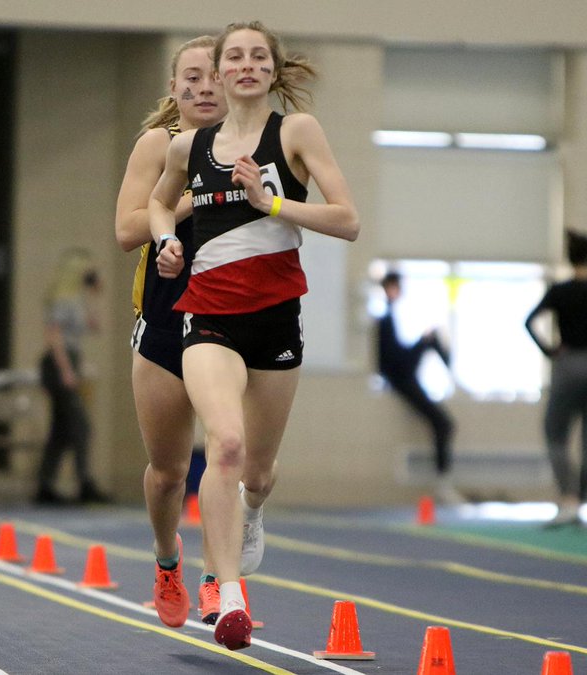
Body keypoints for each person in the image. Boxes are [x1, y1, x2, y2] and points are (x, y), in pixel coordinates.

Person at [148, 20, 358, 651]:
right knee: (226, 444)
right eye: (233, 57)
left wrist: (271, 204)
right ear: (217, 70)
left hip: (275, 320)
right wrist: (166, 243)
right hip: (207, 315)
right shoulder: (189, 147)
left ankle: (253, 512)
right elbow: (161, 204)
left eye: (257, 57)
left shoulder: (295, 132)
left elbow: (347, 220)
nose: (245, 66)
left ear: (271, 69)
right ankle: (230, 596)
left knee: (257, 473)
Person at [113, 35, 226, 629]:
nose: (205, 87)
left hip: (232, 317)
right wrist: (187, 200)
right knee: (169, 474)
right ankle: (166, 561)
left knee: (232, 458)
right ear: (175, 85)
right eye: (193, 77)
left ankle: (218, 582)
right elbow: (128, 229)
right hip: (163, 318)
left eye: (215, 76)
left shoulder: (250, 146)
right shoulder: (158, 144)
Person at [525, 230, 587, 527]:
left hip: (569, 362)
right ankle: (582, 499)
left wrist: (549, 350)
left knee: (555, 432)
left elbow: (529, 321)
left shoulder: (561, 291)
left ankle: (569, 497)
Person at [376, 271, 459, 504]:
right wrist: (421, 342)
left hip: (403, 372)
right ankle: (443, 485)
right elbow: (392, 359)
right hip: (400, 376)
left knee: (431, 337)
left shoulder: (391, 316)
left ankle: (452, 373)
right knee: (444, 423)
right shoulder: (384, 318)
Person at [36, 250, 111, 505]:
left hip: (70, 360)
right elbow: (53, 335)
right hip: (58, 363)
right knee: (81, 426)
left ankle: (44, 485)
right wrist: (66, 370)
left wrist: (93, 296)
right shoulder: (62, 299)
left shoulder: (78, 299)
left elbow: (95, 325)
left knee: (60, 430)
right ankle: (84, 483)